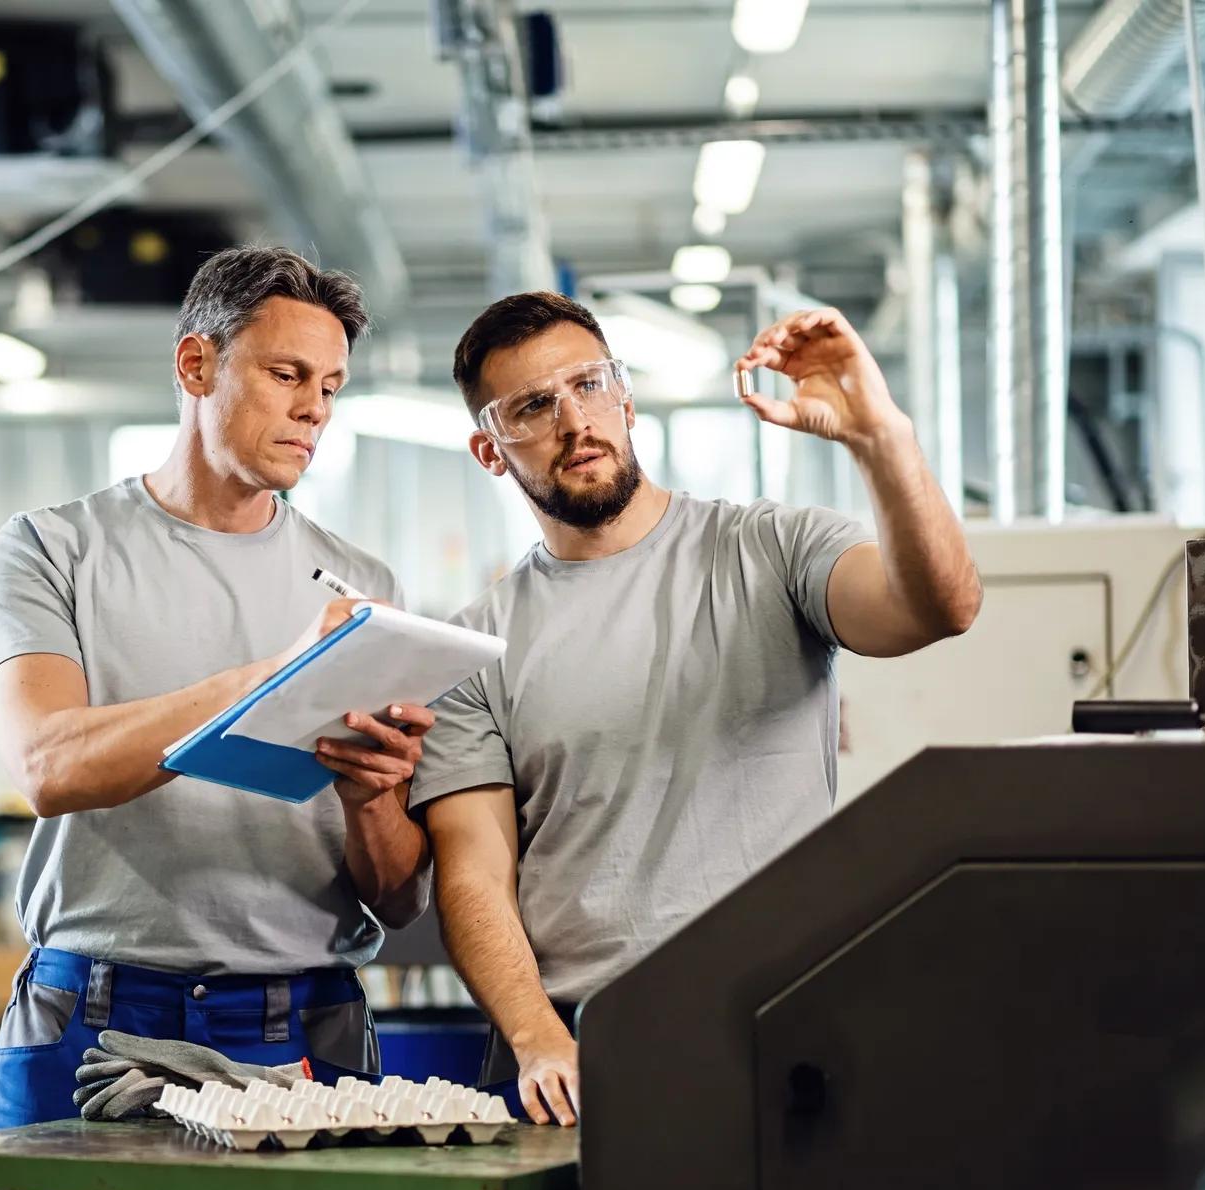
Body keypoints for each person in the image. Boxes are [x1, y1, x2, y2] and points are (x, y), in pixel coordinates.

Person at [411, 295, 982, 1127]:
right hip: (591, 1047)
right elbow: (473, 876)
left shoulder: (773, 549)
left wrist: (879, 438)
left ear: (627, 399)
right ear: (489, 450)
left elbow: (938, 607)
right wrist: (537, 1036)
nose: (575, 420)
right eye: (534, 406)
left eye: (590, 384)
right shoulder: (474, 647)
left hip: (790, 1024)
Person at [0, 245, 434, 1130]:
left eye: (331, 387)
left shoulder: (363, 587)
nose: (313, 409)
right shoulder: (49, 550)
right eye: (287, 373)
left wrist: (374, 799)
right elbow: (48, 764)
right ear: (196, 364)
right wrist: (272, 681)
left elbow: (399, 895)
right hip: (93, 1016)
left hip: (302, 1021)